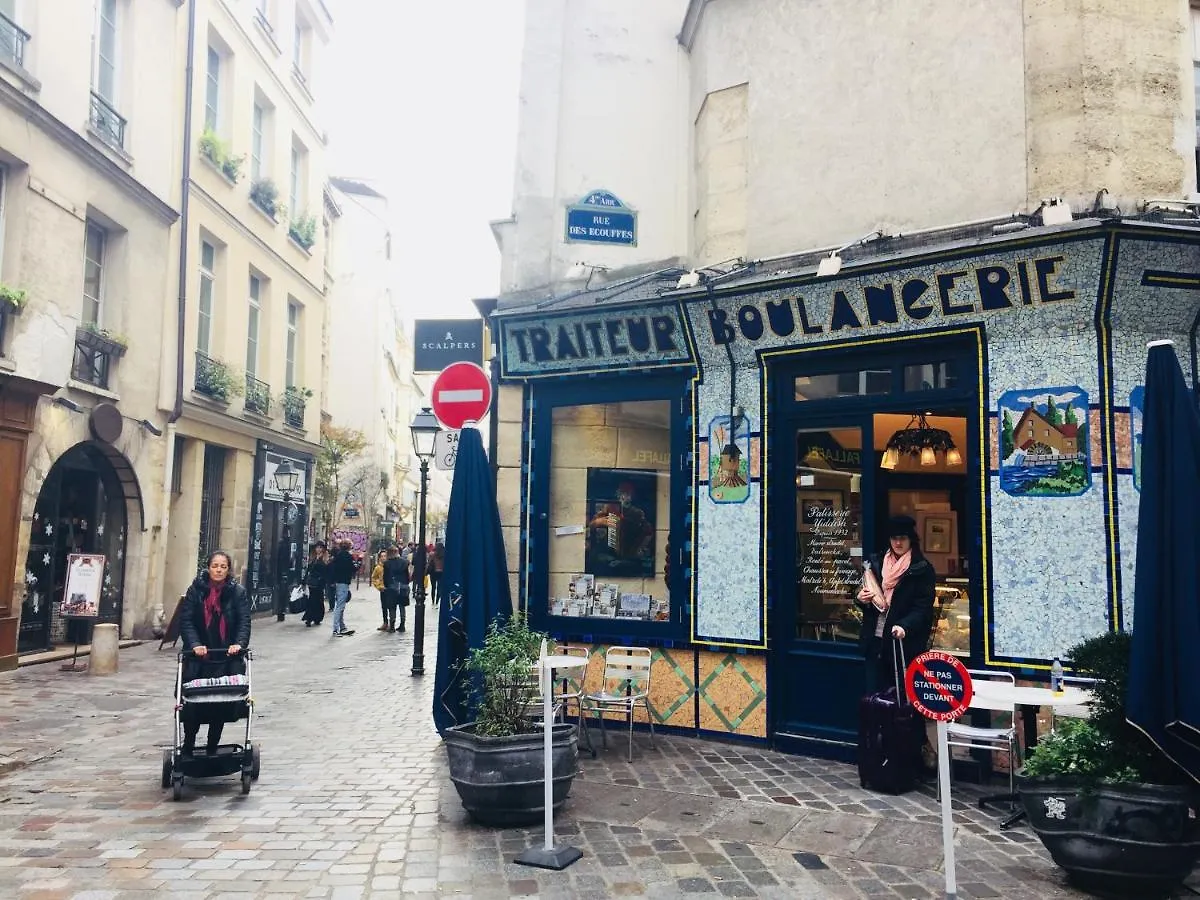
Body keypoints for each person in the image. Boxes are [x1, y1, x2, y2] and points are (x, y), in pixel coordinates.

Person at [179, 551, 250, 756]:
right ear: (208, 568)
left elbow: (243, 622)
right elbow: (187, 621)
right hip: (200, 657)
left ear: (228, 570)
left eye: (223, 567)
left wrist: (238, 644)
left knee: (219, 702)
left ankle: (212, 745)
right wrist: (194, 644)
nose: (218, 570)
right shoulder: (196, 591)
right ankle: (189, 743)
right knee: (193, 704)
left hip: (225, 656)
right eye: (215, 566)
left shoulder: (237, 592)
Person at [855, 515, 937, 694]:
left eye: (903, 538)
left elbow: (922, 607)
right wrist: (860, 598)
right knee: (873, 696)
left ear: (911, 540)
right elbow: (866, 594)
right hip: (874, 641)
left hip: (901, 643)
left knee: (901, 697)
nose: (898, 543)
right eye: (894, 538)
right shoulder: (876, 563)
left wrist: (904, 625)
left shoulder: (922, 568)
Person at [328, 540, 356, 636]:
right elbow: (353, 569)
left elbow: (333, 568)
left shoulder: (338, 555)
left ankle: (342, 626)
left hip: (337, 582)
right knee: (340, 606)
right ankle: (336, 629)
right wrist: (359, 560)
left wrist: (332, 581)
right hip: (343, 582)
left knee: (340, 605)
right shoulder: (348, 556)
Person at [383, 545, 409, 633]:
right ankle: (402, 625)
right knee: (402, 606)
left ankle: (392, 626)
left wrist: (386, 585)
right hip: (403, 586)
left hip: (392, 586)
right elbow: (407, 575)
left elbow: (385, 576)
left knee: (392, 607)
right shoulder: (405, 562)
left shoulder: (387, 563)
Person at [302, 542, 327, 627]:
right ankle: (309, 618)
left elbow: (325, 571)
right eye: (317, 548)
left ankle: (317, 618)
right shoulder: (313, 558)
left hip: (319, 583)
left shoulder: (324, 559)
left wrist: (322, 580)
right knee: (312, 600)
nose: (318, 549)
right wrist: (304, 580)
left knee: (319, 600)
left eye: (320, 548)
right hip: (312, 582)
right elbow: (309, 570)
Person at [371, 550, 389, 631]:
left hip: (391, 588)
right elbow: (374, 578)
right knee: (384, 606)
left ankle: (391, 623)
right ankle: (385, 622)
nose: (383, 558)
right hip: (383, 589)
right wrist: (379, 586)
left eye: (385, 556)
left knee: (391, 606)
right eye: (382, 556)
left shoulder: (390, 565)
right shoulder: (378, 568)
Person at [429, 542, 445, 606]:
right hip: (441, 572)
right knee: (439, 587)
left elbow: (429, 563)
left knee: (433, 587)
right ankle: (437, 602)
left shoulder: (432, 554)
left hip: (433, 572)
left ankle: (433, 601)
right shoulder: (445, 555)